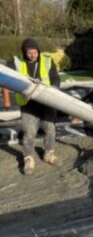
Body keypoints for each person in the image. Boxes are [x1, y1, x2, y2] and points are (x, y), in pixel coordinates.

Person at [11, 38, 61, 175]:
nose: (32, 55)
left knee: (50, 128)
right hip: (28, 103)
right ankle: (28, 158)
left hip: (47, 101)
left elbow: (55, 78)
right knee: (29, 131)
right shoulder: (16, 62)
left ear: (38, 51)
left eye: (34, 52)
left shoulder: (47, 61)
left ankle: (49, 153)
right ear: (24, 52)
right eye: (29, 52)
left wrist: (55, 87)